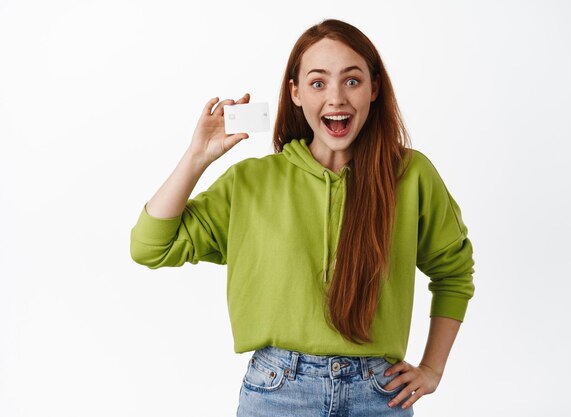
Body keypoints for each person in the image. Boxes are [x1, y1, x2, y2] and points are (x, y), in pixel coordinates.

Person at [130, 18, 475, 417]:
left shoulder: (410, 175)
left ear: (374, 89)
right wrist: (196, 158)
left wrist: (433, 368)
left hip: (379, 396)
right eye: (317, 82)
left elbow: (454, 272)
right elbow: (149, 246)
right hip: (277, 394)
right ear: (294, 93)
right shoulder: (253, 181)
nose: (336, 98)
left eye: (352, 80)